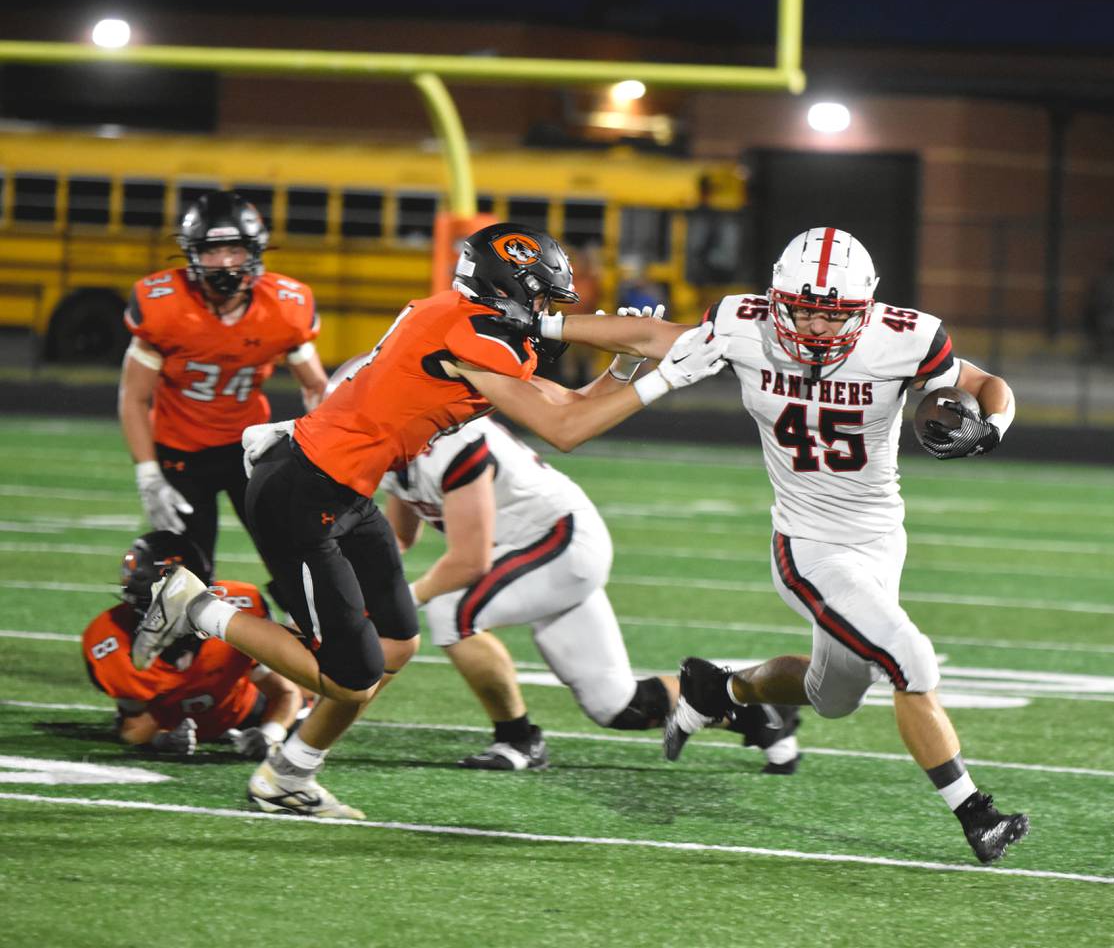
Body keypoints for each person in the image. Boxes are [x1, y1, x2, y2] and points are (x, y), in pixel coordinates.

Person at [130, 222, 728, 819]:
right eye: (540, 297)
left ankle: (289, 776)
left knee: (396, 644)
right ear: (510, 288)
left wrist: (628, 367)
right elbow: (565, 429)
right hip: (305, 490)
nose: (545, 312)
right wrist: (669, 378)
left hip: (344, 487)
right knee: (347, 679)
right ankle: (196, 606)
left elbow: (570, 402)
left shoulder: (467, 320)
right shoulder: (471, 335)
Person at [526, 226, 1029, 864]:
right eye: (806, 309)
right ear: (777, 297)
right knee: (910, 658)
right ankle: (976, 815)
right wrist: (546, 327)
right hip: (810, 546)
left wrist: (991, 427)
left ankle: (720, 690)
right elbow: (653, 337)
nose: (818, 326)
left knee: (834, 695)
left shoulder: (906, 338)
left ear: (867, 307)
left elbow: (987, 384)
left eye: (835, 313)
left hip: (880, 538)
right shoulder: (744, 324)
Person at [373, 331, 799, 773]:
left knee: (450, 612)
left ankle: (517, 739)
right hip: (530, 557)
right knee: (617, 705)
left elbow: (469, 560)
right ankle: (755, 708)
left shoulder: (452, 440)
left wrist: (400, 600)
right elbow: (401, 536)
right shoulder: (398, 441)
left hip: (558, 542)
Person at [118, 190, 329, 566]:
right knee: (187, 568)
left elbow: (315, 387)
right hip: (180, 451)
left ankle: (297, 622)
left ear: (255, 251)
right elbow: (134, 397)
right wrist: (148, 475)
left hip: (250, 448)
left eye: (235, 250)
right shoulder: (164, 306)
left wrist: (322, 458)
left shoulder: (284, 308)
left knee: (294, 551)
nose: (225, 262)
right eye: (212, 252)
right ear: (192, 254)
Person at [82, 530, 304, 758]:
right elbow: (133, 726)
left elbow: (285, 692)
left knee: (311, 690)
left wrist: (270, 734)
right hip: (169, 722)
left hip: (245, 712)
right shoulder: (112, 641)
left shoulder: (239, 611)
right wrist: (160, 739)